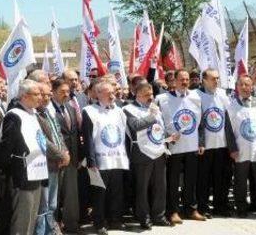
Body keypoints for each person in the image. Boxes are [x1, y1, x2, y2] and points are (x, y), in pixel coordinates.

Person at [124, 82, 176, 230]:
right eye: (147, 95)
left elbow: (158, 129)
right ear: (137, 94)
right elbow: (136, 126)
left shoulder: (154, 109)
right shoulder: (128, 109)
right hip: (142, 153)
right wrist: (152, 115)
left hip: (159, 152)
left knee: (160, 187)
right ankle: (144, 217)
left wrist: (170, 137)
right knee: (142, 188)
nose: (150, 97)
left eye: (152, 94)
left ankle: (159, 216)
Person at [156, 70, 205, 223]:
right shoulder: (162, 99)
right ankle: (173, 211)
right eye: (181, 79)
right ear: (174, 81)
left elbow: (201, 122)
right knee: (173, 181)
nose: (184, 82)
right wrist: (166, 139)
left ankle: (190, 209)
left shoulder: (196, 97)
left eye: (186, 79)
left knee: (191, 180)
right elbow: (158, 123)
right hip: (174, 148)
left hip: (192, 146)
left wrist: (201, 142)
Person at [82, 81, 130, 234]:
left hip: (117, 157)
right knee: (100, 193)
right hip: (100, 160)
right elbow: (88, 138)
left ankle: (115, 219)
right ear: (98, 94)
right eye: (108, 93)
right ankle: (99, 222)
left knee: (116, 191)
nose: (112, 95)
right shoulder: (89, 111)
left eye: (113, 92)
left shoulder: (119, 110)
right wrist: (91, 161)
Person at [2, 79, 49, 235]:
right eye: (36, 94)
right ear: (25, 96)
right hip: (22, 175)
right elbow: (7, 148)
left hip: (36, 173)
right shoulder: (14, 116)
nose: (40, 97)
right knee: (22, 219)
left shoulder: (33, 114)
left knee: (31, 217)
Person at [227, 75, 256, 217]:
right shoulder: (230, 106)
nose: (245, 88)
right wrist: (232, 148)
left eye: (248, 85)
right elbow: (228, 130)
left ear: (252, 86)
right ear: (237, 87)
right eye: (242, 85)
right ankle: (241, 208)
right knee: (240, 181)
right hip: (240, 149)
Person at [196, 68, 233, 218]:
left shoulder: (223, 94)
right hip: (205, 146)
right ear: (204, 80)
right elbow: (197, 123)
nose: (216, 81)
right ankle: (203, 207)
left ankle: (220, 206)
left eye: (217, 78)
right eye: (213, 78)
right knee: (204, 179)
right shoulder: (196, 96)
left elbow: (229, 118)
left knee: (221, 178)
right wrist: (200, 142)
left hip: (222, 145)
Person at [35, 82, 69, 235]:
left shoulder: (48, 112)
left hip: (56, 163)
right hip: (44, 165)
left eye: (49, 95)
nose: (48, 98)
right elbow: (43, 140)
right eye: (44, 95)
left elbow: (58, 134)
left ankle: (51, 229)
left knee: (52, 204)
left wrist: (65, 152)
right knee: (44, 204)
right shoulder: (33, 115)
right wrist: (60, 154)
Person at [51, 78, 81, 233]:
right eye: (62, 92)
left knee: (71, 194)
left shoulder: (69, 108)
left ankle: (71, 224)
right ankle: (54, 226)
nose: (66, 94)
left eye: (68, 91)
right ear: (53, 92)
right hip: (57, 159)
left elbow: (74, 133)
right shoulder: (49, 110)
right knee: (54, 195)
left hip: (73, 157)